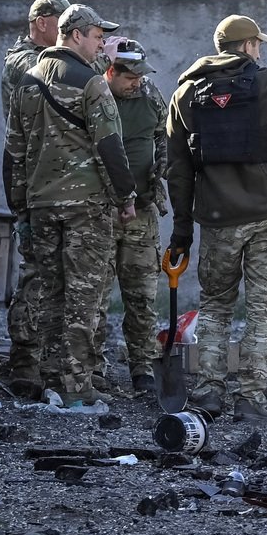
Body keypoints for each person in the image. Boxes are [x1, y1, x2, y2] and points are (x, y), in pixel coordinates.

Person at [166, 14, 267, 421]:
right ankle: (251, 400)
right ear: (248, 47)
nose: (260, 50)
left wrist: (183, 228)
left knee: (216, 306)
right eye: (258, 44)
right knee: (262, 311)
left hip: (218, 217)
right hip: (266, 214)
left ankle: (208, 393)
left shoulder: (186, 93)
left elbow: (178, 168)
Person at [3, 3, 137, 408]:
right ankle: (77, 386)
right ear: (75, 34)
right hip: (85, 208)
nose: (101, 46)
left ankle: (48, 380)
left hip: (41, 206)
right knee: (84, 297)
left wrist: (20, 207)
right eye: (98, 37)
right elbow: (109, 146)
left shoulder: (27, 80)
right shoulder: (91, 82)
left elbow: (14, 151)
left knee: (50, 293)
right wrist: (126, 196)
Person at [0, 0, 69, 394]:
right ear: (43, 22)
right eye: (63, 24)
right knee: (34, 271)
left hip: (58, 177)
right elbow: (47, 75)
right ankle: (25, 360)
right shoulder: (22, 59)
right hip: (27, 177)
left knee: (63, 273)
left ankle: (55, 360)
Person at [95, 38, 168, 396]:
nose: (137, 81)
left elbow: (164, 136)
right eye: (130, 76)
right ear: (112, 71)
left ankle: (142, 369)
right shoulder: (94, 97)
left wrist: (161, 174)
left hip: (142, 213)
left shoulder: (150, 96)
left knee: (142, 298)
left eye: (141, 74)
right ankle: (94, 369)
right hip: (100, 213)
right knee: (94, 298)